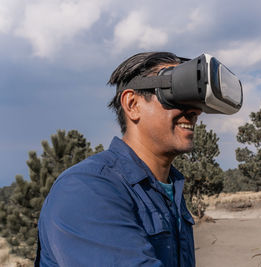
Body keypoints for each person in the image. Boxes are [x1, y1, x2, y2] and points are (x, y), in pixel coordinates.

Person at [35, 52, 201, 266]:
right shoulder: (87, 189)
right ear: (132, 104)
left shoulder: (168, 190)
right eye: (177, 93)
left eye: (194, 99)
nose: (196, 111)